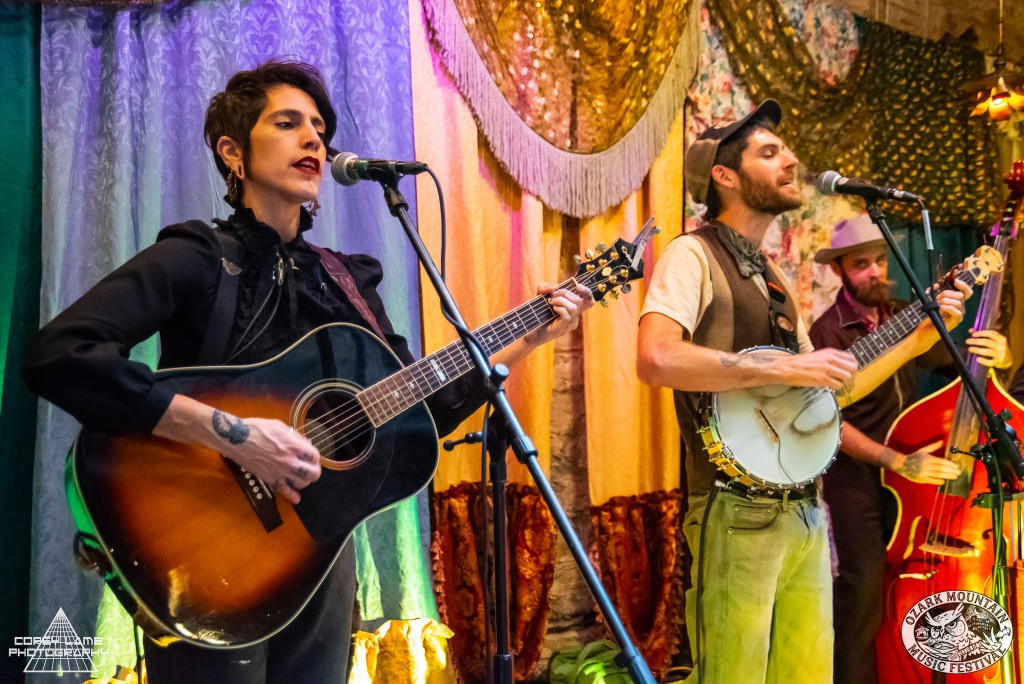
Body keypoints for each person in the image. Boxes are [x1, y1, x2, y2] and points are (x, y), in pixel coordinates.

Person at [22, 60, 592, 684]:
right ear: (233, 153)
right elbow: (62, 354)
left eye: (320, 129)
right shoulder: (197, 257)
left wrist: (532, 335)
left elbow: (423, 407)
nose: (314, 140)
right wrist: (238, 435)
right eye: (288, 123)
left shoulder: (344, 279)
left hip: (317, 554)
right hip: (204, 543)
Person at [635, 99, 969, 684]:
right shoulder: (692, 254)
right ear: (724, 175)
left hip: (804, 510)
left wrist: (917, 340)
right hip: (732, 508)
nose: (791, 160)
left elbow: (829, 392)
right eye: (770, 153)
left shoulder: (772, 276)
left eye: (785, 150)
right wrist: (786, 367)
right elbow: (656, 358)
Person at [808, 214, 1011, 684]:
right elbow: (824, 421)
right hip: (857, 472)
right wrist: (895, 460)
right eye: (861, 264)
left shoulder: (904, 312)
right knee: (863, 590)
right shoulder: (826, 332)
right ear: (838, 270)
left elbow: (959, 368)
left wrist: (998, 356)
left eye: (880, 260)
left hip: (907, 475)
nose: (875, 271)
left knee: (907, 582)